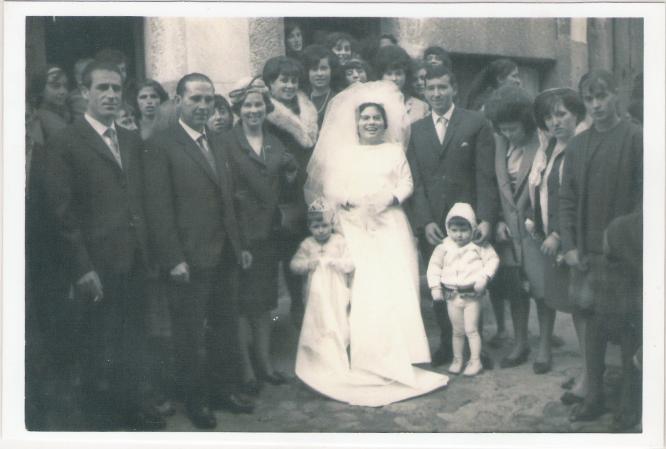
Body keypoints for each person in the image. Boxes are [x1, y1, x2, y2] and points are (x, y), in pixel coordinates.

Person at [304, 81, 448, 406]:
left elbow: (406, 182)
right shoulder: (345, 152)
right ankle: (367, 356)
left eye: (376, 118)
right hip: (355, 226)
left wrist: (389, 198)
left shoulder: (394, 150)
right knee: (365, 288)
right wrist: (353, 201)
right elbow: (332, 187)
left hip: (390, 224)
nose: (371, 123)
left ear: (385, 122)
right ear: (356, 122)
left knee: (396, 285)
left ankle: (405, 352)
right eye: (365, 118)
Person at [43, 60, 164, 430]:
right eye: (102, 88)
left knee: (134, 338)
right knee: (98, 343)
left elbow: (141, 199)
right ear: (84, 92)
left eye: (116, 88)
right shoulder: (65, 142)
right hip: (97, 264)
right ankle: (102, 423)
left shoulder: (130, 140)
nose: (111, 95)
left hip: (135, 258)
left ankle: (135, 408)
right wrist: (82, 268)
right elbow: (62, 214)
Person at [143, 72, 255, 429]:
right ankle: (196, 400)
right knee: (189, 336)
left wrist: (240, 245)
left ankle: (223, 391)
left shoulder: (219, 141)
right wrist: (174, 259)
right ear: (178, 101)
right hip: (188, 259)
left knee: (224, 329)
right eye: (195, 99)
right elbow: (158, 208)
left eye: (208, 99)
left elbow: (230, 199)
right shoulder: (161, 145)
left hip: (224, 254)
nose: (203, 106)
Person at [559, 70, 642, 429]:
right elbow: (566, 198)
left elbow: (647, 196)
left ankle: (630, 404)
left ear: (615, 94)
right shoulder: (578, 145)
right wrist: (569, 245)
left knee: (628, 329)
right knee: (592, 327)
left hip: (624, 257)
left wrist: (623, 236)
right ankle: (594, 396)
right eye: (590, 99)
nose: (597, 105)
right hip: (587, 255)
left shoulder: (636, 138)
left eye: (602, 96)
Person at [407, 64, 498, 367]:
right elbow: (416, 181)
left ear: (454, 89)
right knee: (441, 282)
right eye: (431, 88)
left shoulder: (475, 123)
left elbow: (485, 175)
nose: (436, 93)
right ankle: (447, 344)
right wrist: (425, 222)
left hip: (467, 221)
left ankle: (476, 348)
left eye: (442, 87)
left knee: (470, 283)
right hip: (434, 222)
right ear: (424, 91)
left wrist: (485, 218)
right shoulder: (416, 130)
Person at [224, 76, 300, 395]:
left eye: (258, 105)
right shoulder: (227, 142)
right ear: (238, 109)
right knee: (242, 304)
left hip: (267, 235)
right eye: (247, 105)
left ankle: (265, 364)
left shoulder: (274, 142)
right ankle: (246, 370)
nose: (253, 110)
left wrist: (291, 172)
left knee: (265, 303)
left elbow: (285, 181)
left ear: (266, 109)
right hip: (240, 236)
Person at [527, 88, 588, 382]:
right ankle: (545, 348)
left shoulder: (582, 148)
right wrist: (535, 222)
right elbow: (542, 189)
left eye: (562, 114)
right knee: (549, 295)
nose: (555, 122)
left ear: (576, 115)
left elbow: (578, 201)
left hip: (572, 240)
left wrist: (559, 235)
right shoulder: (549, 147)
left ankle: (589, 370)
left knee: (580, 304)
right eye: (549, 117)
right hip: (548, 238)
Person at [484, 84, 545, 369]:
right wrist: (497, 220)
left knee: (540, 288)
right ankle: (520, 342)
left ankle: (544, 345)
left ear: (527, 123)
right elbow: (494, 185)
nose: (508, 134)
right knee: (514, 288)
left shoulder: (541, 142)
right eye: (503, 129)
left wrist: (533, 221)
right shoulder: (498, 141)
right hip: (506, 229)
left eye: (513, 129)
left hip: (533, 228)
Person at [262, 56, 319, 328]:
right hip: (283, 193)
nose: (289, 85)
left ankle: (310, 313)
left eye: (293, 80)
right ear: (270, 84)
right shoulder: (266, 113)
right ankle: (291, 313)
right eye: (283, 80)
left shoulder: (308, 110)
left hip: (308, 190)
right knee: (289, 255)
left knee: (309, 252)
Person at [291, 199, 355, 397]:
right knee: (318, 326)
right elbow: (294, 265)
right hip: (316, 296)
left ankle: (341, 358)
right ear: (309, 227)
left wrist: (336, 263)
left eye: (324, 225)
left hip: (336, 292)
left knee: (340, 323)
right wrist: (308, 264)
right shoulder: (307, 245)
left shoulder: (339, 242)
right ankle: (319, 362)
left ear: (331, 224)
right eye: (316, 226)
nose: (320, 231)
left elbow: (351, 263)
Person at [427, 203, 499, 376]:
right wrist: (435, 287)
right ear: (448, 229)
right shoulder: (443, 246)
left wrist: (484, 277)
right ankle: (457, 359)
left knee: (471, 330)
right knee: (457, 331)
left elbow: (493, 260)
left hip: (471, 295)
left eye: (463, 230)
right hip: (452, 296)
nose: (458, 235)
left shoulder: (478, 245)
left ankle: (475, 361)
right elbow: (434, 267)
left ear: (472, 228)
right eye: (454, 230)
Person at [374, 45, 430, 124]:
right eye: (389, 74)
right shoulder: (373, 103)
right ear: (381, 76)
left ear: (406, 75)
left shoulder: (421, 107)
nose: (394, 78)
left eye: (398, 74)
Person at [301, 44, 339, 127]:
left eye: (324, 68)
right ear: (307, 72)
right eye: (314, 69)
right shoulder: (301, 99)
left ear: (331, 70)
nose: (319, 74)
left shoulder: (338, 100)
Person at [30, 65, 71, 142]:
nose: (63, 91)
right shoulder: (43, 116)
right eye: (56, 86)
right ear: (41, 89)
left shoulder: (64, 111)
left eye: (65, 86)